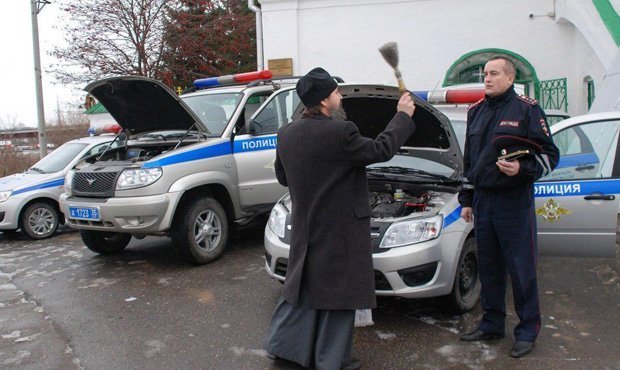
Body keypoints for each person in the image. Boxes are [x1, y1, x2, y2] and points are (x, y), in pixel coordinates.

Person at [265, 67, 416, 369]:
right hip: (340, 230)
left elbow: (283, 177)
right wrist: (402, 116)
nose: (340, 95)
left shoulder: (286, 133)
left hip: (306, 227)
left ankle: (285, 347)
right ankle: (331, 359)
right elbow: (381, 149)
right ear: (323, 101)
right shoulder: (341, 132)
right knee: (338, 297)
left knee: (303, 291)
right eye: (336, 92)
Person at [458, 56, 560, 358]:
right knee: (489, 268)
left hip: (514, 201)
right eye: (485, 74)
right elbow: (470, 162)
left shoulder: (527, 109)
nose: (487, 79)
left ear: (510, 78)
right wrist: (467, 199)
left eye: (493, 74)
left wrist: (522, 169)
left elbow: (549, 155)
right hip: (484, 202)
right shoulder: (475, 112)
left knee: (521, 270)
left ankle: (527, 330)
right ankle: (492, 324)